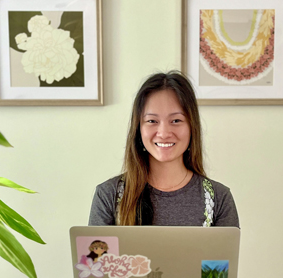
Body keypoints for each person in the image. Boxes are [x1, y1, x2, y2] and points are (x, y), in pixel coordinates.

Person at [89, 71, 239, 227]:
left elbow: (224, 252)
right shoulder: (108, 195)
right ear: (138, 128)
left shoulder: (219, 198)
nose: (164, 133)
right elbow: (95, 252)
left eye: (176, 120)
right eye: (152, 121)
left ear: (191, 126)